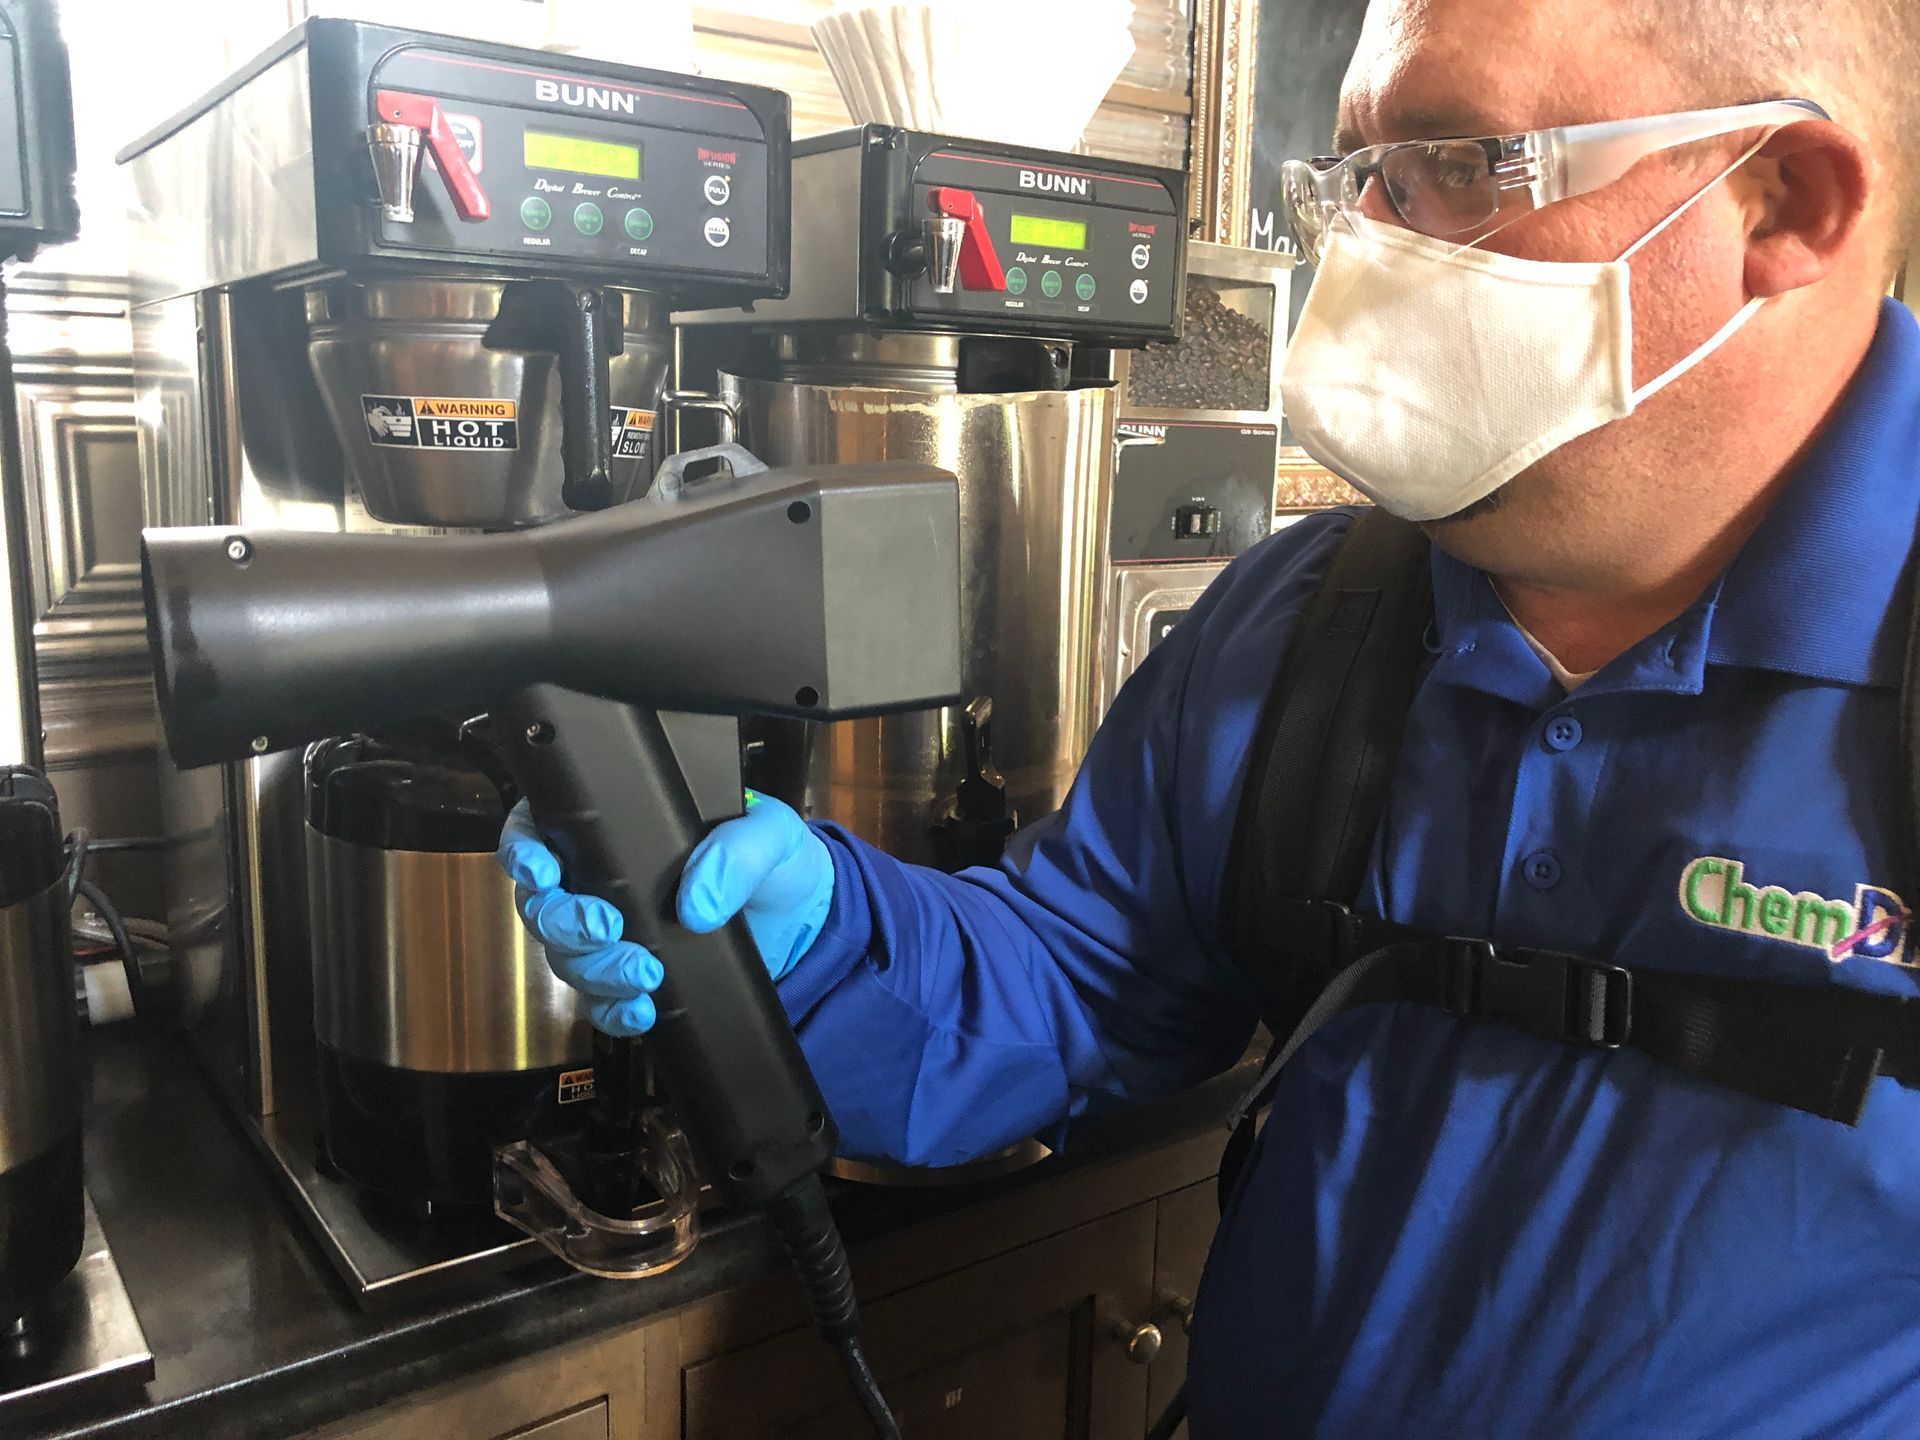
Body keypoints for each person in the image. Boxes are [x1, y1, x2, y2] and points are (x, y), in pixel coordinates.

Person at [499, 0, 1920, 1432]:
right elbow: (1077, 982)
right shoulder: (1317, 621)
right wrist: (814, 937)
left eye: (1459, 164)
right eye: (1360, 175)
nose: (1369, 245)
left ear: (1782, 198)